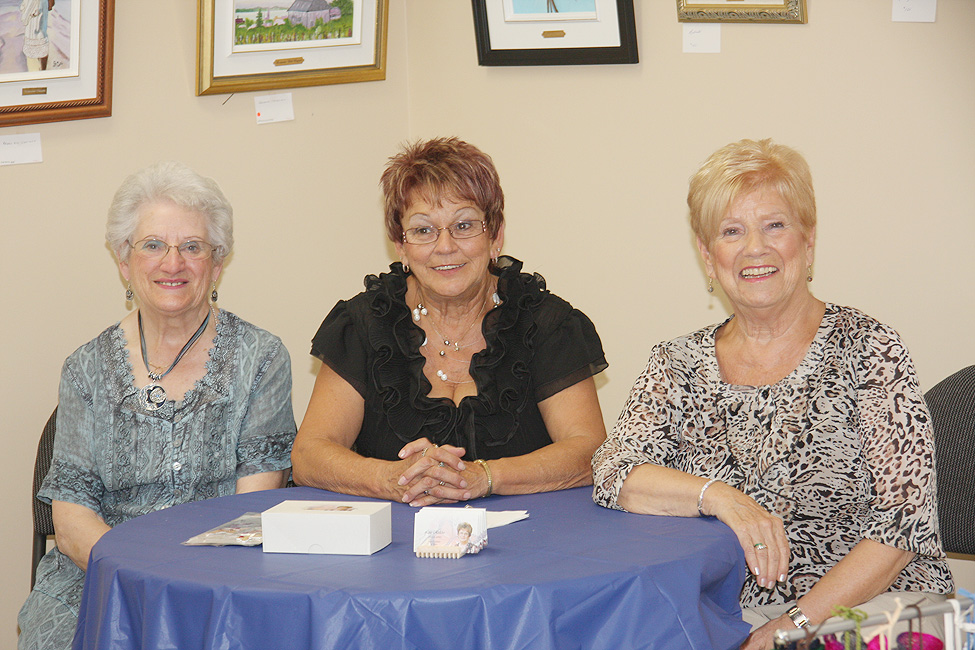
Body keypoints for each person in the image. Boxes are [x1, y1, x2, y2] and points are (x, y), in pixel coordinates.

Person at [591, 139, 952, 649]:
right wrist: (721, 498)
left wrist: (789, 628)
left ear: (808, 241)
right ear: (707, 255)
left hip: (871, 610)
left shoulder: (869, 347)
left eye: (774, 225)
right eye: (731, 232)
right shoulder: (676, 363)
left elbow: (902, 526)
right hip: (729, 612)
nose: (754, 249)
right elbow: (613, 472)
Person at [18, 162, 297, 650]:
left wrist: (182, 587)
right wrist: (143, 578)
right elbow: (71, 522)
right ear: (124, 262)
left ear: (217, 262)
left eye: (192, 246)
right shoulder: (85, 368)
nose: (173, 263)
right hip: (99, 577)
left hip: (221, 577)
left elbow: (254, 505)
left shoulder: (262, 358)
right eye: (153, 245)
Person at [292, 137, 607, 505]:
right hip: (391, 548)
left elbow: (589, 452)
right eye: (424, 230)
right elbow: (308, 456)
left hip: (530, 545)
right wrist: (391, 479)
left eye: (464, 225)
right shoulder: (364, 324)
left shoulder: (547, 324)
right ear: (401, 245)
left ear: (496, 236)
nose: (444, 246)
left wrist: (485, 477)